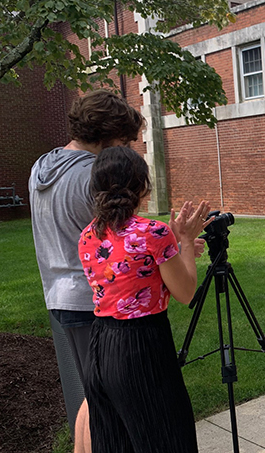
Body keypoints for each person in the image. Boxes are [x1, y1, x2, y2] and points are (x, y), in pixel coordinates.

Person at [29, 89, 144, 452]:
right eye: (124, 141)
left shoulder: (41, 167)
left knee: (88, 396)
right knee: (108, 403)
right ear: (107, 135)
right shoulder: (94, 176)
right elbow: (122, 246)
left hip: (57, 296)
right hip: (97, 301)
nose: (126, 150)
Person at [78, 146, 211, 452]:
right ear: (142, 187)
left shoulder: (88, 235)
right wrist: (186, 242)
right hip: (141, 348)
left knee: (115, 442)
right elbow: (186, 292)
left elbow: (133, 271)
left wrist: (176, 246)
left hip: (99, 347)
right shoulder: (154, 232)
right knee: (166, 439)